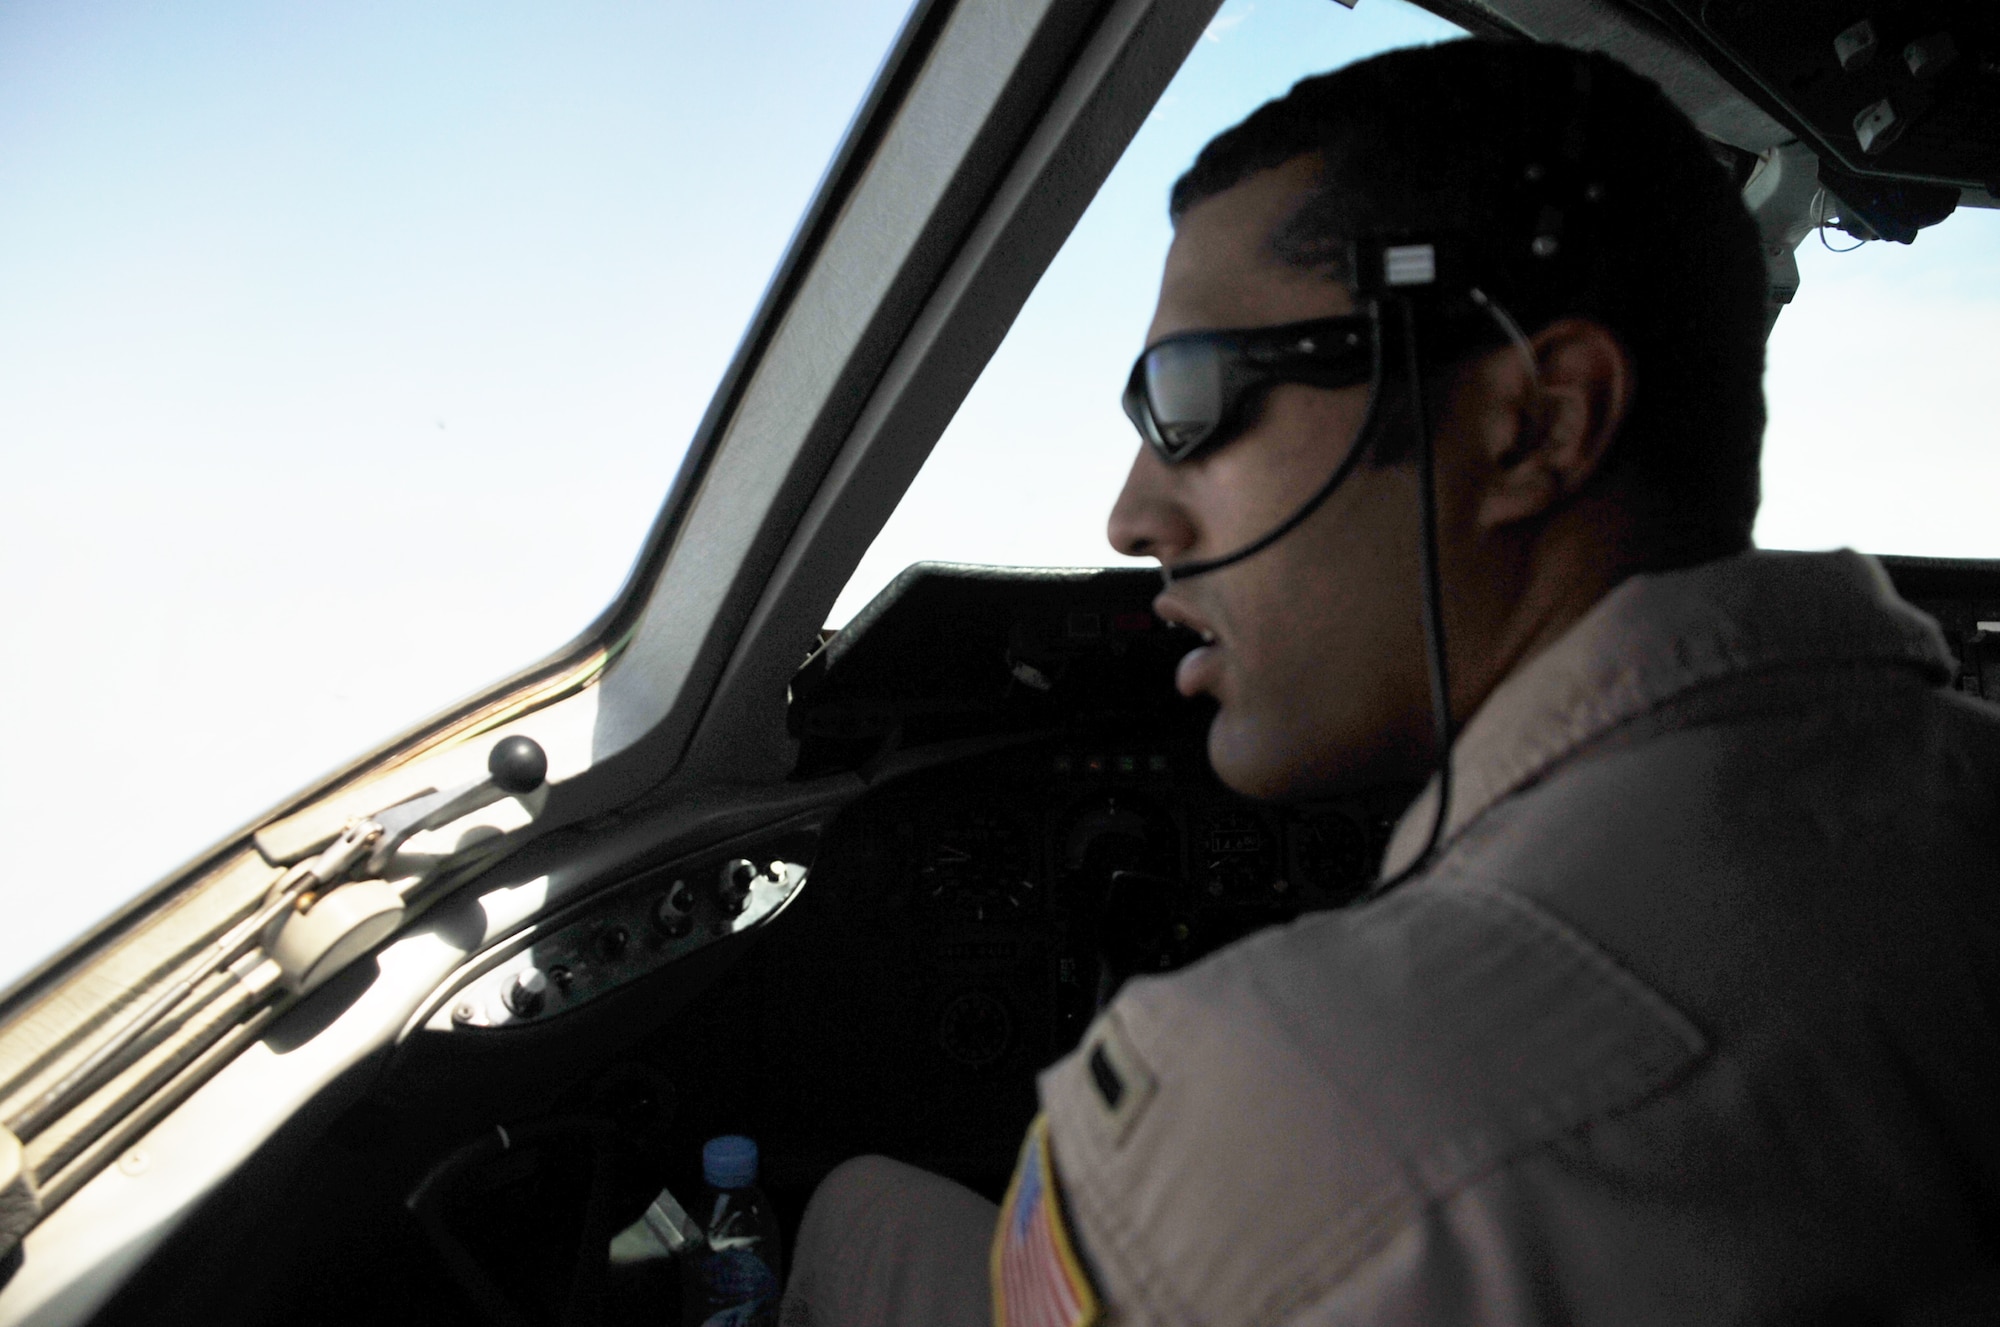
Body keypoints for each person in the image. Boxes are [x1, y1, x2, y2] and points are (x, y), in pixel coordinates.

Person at [782, 38, 2000, 1327]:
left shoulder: (1260, 1095)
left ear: (1535, 423)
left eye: (1188, 399)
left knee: (856, 1207)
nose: (1131, 516)